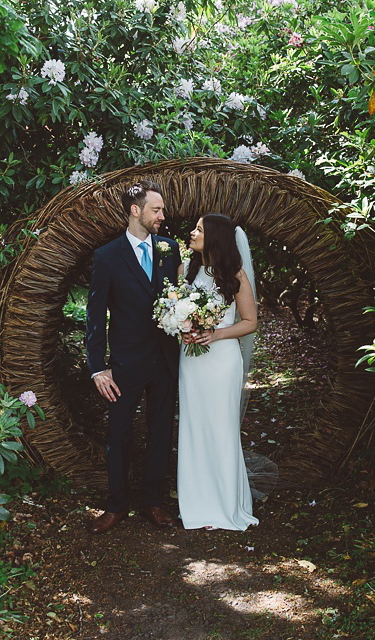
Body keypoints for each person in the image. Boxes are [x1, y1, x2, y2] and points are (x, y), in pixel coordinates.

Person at [85, 180, 181, 534]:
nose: (162, 215)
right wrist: (98, 368)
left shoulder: (170, 249)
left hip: (166, 360)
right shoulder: (107, 257)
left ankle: (154, 501)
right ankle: (116, 504)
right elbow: (94, 315)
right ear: (135, 211)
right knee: (119, 433)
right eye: (156, 210)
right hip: (125, 363)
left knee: (160, 432)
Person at [177, 213, 259, 531]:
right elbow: (176, 309)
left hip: (222, 360)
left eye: (199, 229)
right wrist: (183, 328)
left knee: (221, 428)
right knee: (194, 427)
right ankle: (197, 503)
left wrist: (216, 333)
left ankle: (224, 504)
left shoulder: (234, 274)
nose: (193, 232)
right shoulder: (187, 270)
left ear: (215, 237)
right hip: (192, 361)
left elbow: (250, 322)